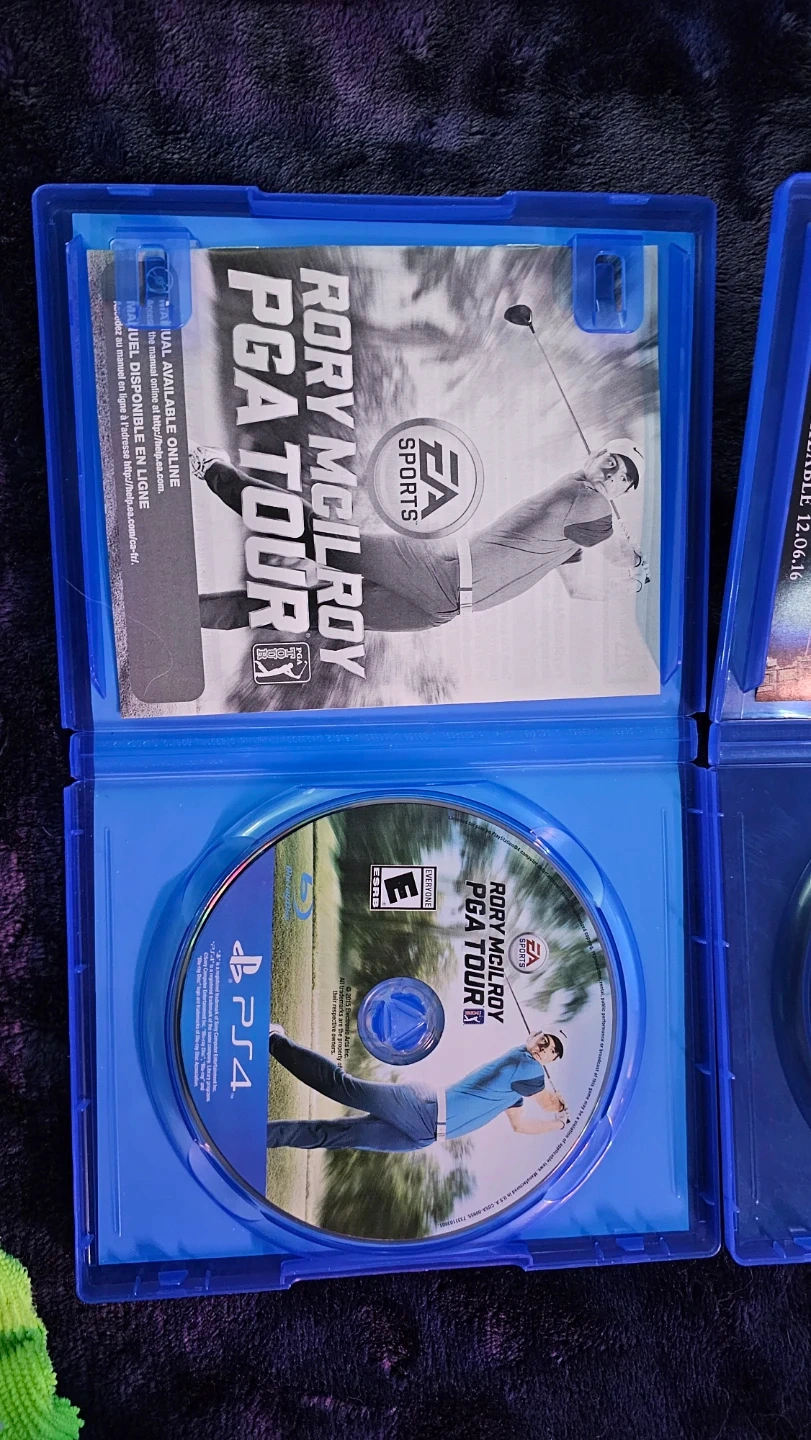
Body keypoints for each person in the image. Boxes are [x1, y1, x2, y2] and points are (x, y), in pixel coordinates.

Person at [192, 441, 646, 635]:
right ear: (594, 456)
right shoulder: (584, 497)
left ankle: (187, 616)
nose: (613, 474)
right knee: (315, 536)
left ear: (625, 490)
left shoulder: (573, 535)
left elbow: (580, 588)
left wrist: (632, 585)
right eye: (612, 462)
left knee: (302, 612)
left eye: (623, 477)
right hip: (433, 568)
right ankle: (214, 469)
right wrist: (634, 560)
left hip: (439, 609)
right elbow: (614, 547)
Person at [265, 1024, 567, 1153]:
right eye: (544, 1041)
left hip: (423, 1136)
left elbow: (521, 1126)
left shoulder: (517, 1090)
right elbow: (547, 1103)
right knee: (343, 1088)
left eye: (552, 1051)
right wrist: (558, 1105)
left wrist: (558, 1125)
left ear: (552, 1060)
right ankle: (274, 1041)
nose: (544, 1049)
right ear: (532, 1036)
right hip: (422, 1108)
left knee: (333, 1136)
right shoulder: (526, 1064)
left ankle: (261, 1138)